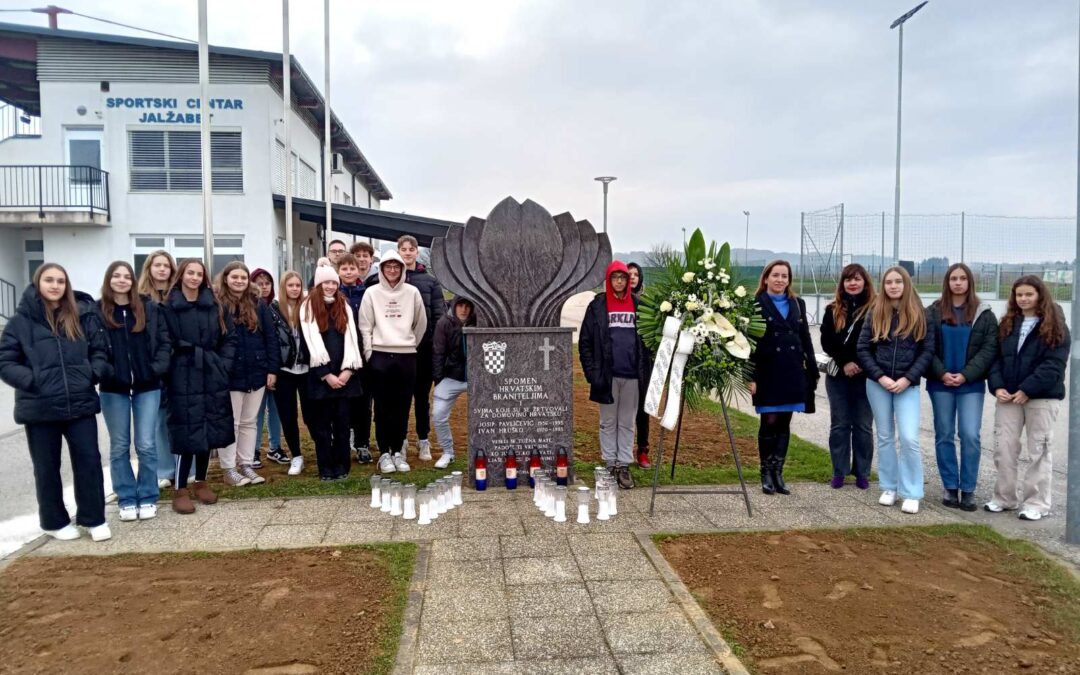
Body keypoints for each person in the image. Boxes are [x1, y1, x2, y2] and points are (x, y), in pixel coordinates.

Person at [0, 263, 111, 542]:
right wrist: (33, 381)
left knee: (89, 460)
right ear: (38, 283)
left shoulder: (80, 315)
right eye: (49, 280)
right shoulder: (20, 323)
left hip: (80, 403)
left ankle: (94, 518)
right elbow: (5, 361)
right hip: (40, 407)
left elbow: (100, 350)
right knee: (46, 467)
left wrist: (91, 373)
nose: (55, 285)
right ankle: (53, 521)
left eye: (60, 281)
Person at [985, 276, 1069, 521]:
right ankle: (1004, 498)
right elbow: (996, 359)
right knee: (1004, 447)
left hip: (1040, 398)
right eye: (1019, 295)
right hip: (1008, 397)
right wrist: (997, 385)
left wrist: (1028, 389)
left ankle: (1036, 503)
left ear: (1039, 295)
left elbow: (1054, 364)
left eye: (1028, 295)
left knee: (1039, 450)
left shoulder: (1056, 325)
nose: (1023, 299)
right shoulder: (1008, 323)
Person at [97, 261, 171, 522]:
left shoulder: (148, 307)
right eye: (116, 276)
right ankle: (126, 497)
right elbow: (92, 348)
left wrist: (154, 369)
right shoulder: (98, 311)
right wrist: (105, 371)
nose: (121, 280)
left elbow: (163, 342)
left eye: (126, 276)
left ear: (132, 280)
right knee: (119, 446)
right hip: (113, 388)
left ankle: (148, 494)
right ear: (109, 280)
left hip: (146, 386)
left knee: (146, 444)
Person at [857, 266, 934, 515]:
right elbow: (863, 349)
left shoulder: (920, 314)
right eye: (889, 282)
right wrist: (879, 377)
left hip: (906, 386)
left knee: (909, 438)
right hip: (878, 385)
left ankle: (912, 492)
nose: (893, 286)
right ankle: (889, 486)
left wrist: (907, 378)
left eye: (898, 281)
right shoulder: (875, 312)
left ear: (906, 284)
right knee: (885, 437)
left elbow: (927, 351)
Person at [161, 259, 236, 513]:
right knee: (186, 429)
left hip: (211, 371)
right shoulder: (168, 306)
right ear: (181, 275)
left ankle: (201, 481)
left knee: (209, 427)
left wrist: (222, 364)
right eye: (189, 273)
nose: (194, 277)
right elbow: (163, 340)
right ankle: (180, 487)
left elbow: (229, 338)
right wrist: (171, 367)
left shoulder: (214, 305)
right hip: (182, 373)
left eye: (198, 273)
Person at [926, 263, 998, 511]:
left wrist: (966, 375)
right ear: (947, 282)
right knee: (944, 435)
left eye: (962, 278)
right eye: (953, 278)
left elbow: (989, 349)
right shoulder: (934, 312)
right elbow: (927, 347)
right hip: (940, 384)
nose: (958, 282)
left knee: (969, 435)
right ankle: (950, 487)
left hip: (971, 385)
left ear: (969, 282)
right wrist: (942, 373)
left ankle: (968, 489)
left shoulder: (984, 314)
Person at [748, 260, 818, 496]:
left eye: (784, 276)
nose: (780, 280)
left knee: (785, 423)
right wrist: (750, 376)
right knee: (769, 422)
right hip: (768, 372)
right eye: (775, 275)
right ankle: (765, 472)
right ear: (766, 278)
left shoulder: (797, 303)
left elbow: (805, 337)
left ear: (789, 279)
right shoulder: (755, 305)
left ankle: (778, 473)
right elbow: (747, 344)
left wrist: (812, 370)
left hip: (792, 371)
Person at [579, 261, 651, 490]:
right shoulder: (598, 306)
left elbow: (648, 343)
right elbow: (585, 342)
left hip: (632, 375)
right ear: (608, 280)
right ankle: (610, 464)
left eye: (623, 277)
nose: (620, 281)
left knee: (628, 422)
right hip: (606, 376)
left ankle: (624, 465)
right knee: (608, 421)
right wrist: (592, 374)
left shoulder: (638, 306)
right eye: (615, 277)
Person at [359, 249, 426, 474]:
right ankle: (384, 453)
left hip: (406, 356)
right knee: (382, 407)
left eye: (396, 266)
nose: (392, 270)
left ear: (402, 268)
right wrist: (370, 353)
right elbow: (365, 325)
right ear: (382, 268)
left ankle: (398, 451)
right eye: (388, 266)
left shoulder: (413, 292)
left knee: (402, 406)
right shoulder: (372, 293)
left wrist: (409, 345)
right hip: (379, 355)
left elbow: (421, 323)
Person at [216, 262, 280, 487]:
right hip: (231, 373)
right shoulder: (218, 304)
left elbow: (270, 338)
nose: (239, 281)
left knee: (250, 422)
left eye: (243, 278)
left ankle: (246, 464)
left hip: (257, 370)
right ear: (226, 279)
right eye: (235, 277)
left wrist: (272, 369)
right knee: (230, 422)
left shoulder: (258, 304)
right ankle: (228, 468)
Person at [301, 265, 364, 480]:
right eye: (326, 282)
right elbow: (306, 346)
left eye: (333, 283)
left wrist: (347, 371)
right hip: (321, 378)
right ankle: (325, 468)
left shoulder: (345, 307)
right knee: (321, 427)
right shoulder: (307, 308)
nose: (330, 286)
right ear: (318, 284)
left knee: (343, 426)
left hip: (345, 377)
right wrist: (326, 375)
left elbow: (354, 341)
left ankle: (342, 467)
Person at [819, 263, 875, 490]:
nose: (853, 283)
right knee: (839, 424)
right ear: (842, 284)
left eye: (857, 279)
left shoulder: (875, 309)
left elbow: (877, 340)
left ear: (865, 282)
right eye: (848, 279)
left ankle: (862, 473)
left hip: (865, 376)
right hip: (839, 375)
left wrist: (859, 363)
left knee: (863, 426)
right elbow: (827, 340)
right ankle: (839, 471)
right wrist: (845, 362)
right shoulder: (832, 309)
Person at [137, 249, 184, 489]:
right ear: (149, 268)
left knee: (182, 418)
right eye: (158, 265)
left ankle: (185, 468)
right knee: (157, 420)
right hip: (154, 366)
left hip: (180, 364)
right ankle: (164, 470)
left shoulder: (179, 296)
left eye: (166, 265)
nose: (162, 269)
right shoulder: (141, 299)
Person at [398, 235, 444, 462]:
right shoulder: (392, 279)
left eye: (411, 249)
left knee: (421, 397)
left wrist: (434, 343)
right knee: (402, 397)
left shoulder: (429, 281)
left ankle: (423, 439)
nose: (407, 253)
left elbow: (438, 314)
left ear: (417, 252)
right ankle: (402, 440)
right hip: (400, 348)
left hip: (424, 348)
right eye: (403, 249)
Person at [268, 271, 311, 476]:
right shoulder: (273, 310)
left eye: (297, 285)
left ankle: (322, 448)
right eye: (290, 285)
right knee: (288, 415)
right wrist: (272, 370)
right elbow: (271, 342)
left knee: (312, 414)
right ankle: (296, 456)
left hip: (306, 369)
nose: (294, 289)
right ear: (283, 287)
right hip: (284, 370)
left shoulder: (308, 308)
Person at [431, 296, 476, 469]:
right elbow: (438, 352)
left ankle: (487, 449)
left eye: (468, 306)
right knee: (438, 415)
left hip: (477, 377)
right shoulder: (445, 322)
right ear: (455, 306)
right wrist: (439, 379)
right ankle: (448, 452)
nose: (464, 310)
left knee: (488, 412)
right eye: (461, 306)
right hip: (451, 376)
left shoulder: (480, 320)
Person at [336, 253, 373, 464]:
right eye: (344, 269)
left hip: (363, 357)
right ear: (338, 271)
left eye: (352, 268)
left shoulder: (366, 293)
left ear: (358, 271)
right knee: (343, 402)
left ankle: (362, 443)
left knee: (363, 403)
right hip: (341, 357)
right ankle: (345, 440)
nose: (348, 272)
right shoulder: (333, 293)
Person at [251, 268, 283, 467]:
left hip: (277, 365)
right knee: (257, 411)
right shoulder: (250, 307)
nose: (263, 287)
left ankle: (275, 447)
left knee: (276, 409)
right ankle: (253, 450)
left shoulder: (277, 306)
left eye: (267, 283)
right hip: (257, 366)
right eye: (259, 283)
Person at [626, 261, 652, 469]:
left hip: (643, 362)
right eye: (629, 274)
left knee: (643, 408)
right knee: (624, 409)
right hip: (625, 362)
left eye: (636, 274)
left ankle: (642, 449)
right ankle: (622, 449)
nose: (633, 277)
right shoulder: (618, 303)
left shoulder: (647, 303)